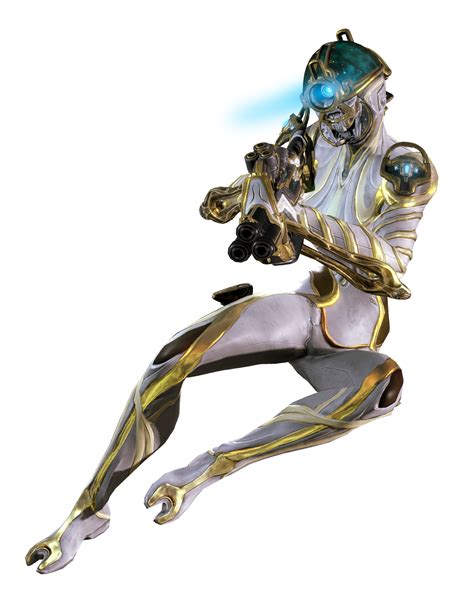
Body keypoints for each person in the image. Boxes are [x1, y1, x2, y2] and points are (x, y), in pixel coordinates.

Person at [26, 28, 437, 574]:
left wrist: (296, 217)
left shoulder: (403, 166)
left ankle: (212, 465)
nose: (334, 126)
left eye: (344, 112)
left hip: (352, 330)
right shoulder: (312, 141)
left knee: (380, 385)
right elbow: (236, 204)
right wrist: (246, 193)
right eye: (326, 115)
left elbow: (391, 263)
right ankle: (86, 512)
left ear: (378, 96)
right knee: (173, 360)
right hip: (304, 308)